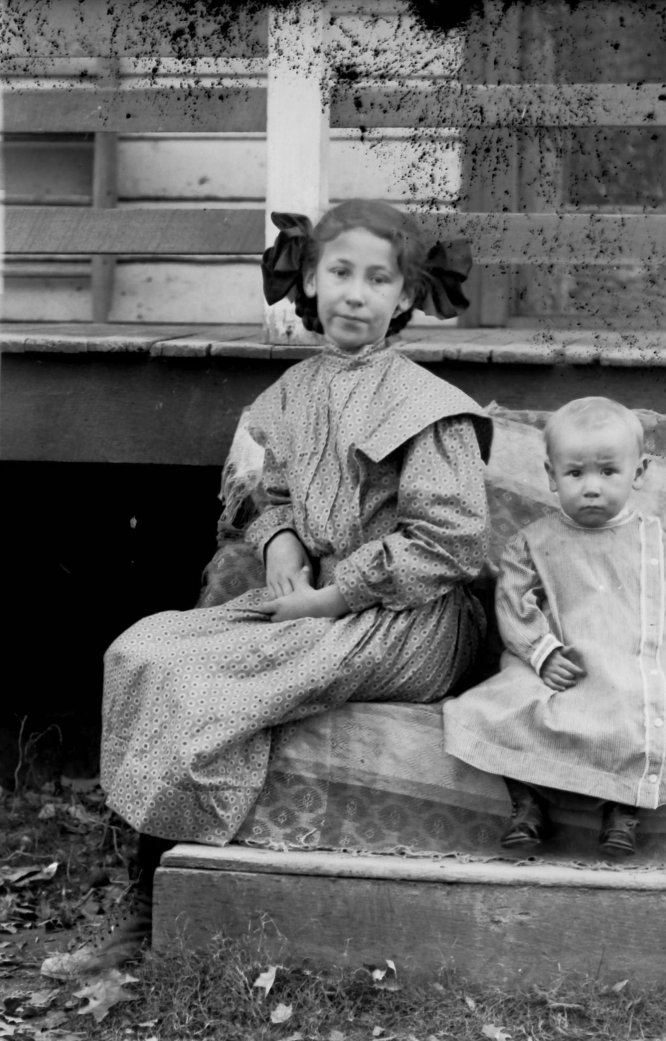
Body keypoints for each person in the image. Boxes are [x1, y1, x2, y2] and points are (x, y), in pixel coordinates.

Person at [42, 200, 492, 979]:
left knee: (203, 684)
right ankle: (146, 889)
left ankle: (154, 924)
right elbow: (271, 493)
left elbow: (448, 544)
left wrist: (328, 597)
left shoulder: (425, 405)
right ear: (309, 282)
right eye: (340, 273)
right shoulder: (294, 391)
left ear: (405, 298)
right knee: (142, 649)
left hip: (411, 620)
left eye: (378, 279)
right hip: (324, 601)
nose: (356, 294)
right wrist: (280, 540)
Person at [443, 395, 666, 858]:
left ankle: (622, 811)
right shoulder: (533, 542)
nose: (591, 488)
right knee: (500, 709)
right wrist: (541, 652)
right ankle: (528, 805)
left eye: (608, 472)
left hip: (633, 669)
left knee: (664, 710)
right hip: (563, 667)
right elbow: (513, 604)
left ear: (638, 472)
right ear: (551, 475)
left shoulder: (655, 545)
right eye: (575, 474)